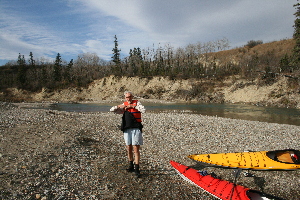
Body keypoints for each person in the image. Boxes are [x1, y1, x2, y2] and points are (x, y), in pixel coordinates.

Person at [110, 91, 145, 177]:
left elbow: (143, 110)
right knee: (128, 148)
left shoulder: (137, 103)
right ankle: (131, 166)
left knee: (136, 149)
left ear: (132, 97)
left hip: (136, 128)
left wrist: (132, 106)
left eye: (129, 97)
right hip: (127, 129)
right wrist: (119, 106)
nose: (128, 99)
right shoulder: (124, 104)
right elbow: (112, 110)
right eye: (126, 97)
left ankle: (137, 169)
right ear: (125, 98)